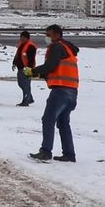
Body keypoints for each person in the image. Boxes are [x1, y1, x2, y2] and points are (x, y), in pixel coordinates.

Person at [25, 24, 80, 163]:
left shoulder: (57, 47)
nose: (46, 37)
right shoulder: (68, 49)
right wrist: (38, 75)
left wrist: (33, 70)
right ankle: (69, 154)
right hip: (72, 92)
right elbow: (55, 70)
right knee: (63, 123)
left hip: (61, 91)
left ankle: (45, 151)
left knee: (48, 119)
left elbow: (51, 66)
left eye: (48, 35)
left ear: (56, 35)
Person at [12, 30, 37, 107]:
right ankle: (29, 98)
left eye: (23, 37)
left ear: (27, 38)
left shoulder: (31, 46)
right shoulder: (21, 45)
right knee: (22, 84)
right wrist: (14, 63)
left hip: (27, 69)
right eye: (21, 37)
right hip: (20, 68)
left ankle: (25, 101)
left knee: (25, 85)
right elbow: (18, 55)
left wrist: (28, 69)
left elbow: (31, 59)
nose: (21, 39)